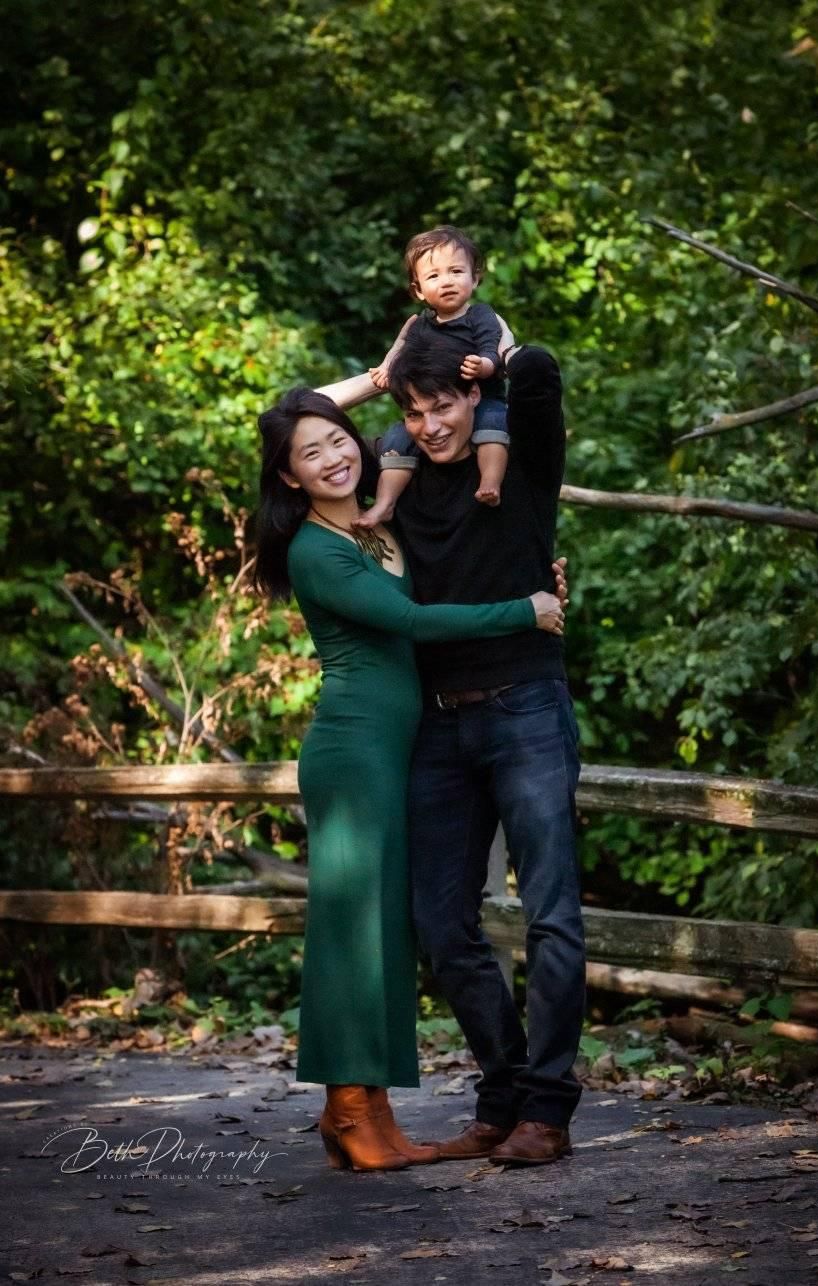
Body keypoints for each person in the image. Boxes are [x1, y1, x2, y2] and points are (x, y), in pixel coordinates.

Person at [252, 385, 567, 1173]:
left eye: (337, 441)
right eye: (309, 453)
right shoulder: (317, 551)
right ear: (288, 477)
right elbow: (419, 623)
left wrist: (390, 374)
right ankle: (348, 1110)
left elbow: (459, 566)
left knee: (388, 930)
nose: (332, 457)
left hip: (407, 746)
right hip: (355, 750)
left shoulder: (376, 525)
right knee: (350, 935)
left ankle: (369, 1112)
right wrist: (524, 609)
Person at [330, 324, 584, 1167]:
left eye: (445, 404)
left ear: (475, 395)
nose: (433, 424)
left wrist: (493, 345)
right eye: (416, 410)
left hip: (528, 709)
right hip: (436, 721)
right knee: (440, 923)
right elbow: (293, 425)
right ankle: (502, 1094)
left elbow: (542, 374)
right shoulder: (393, 475)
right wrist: (380, 380)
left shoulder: (518, 463)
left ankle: (547, 1110)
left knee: (550, 914)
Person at [357, 225, 510, 528]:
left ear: (475, 277)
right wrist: (387, 367)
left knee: (494, 423)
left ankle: (490, 481)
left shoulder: (480, 316)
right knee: (396, 439)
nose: (447, 282)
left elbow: (492, 349)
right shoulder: (420, 325)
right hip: (431, 401)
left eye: (456, 271)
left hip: (483, 397)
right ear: (418, 290)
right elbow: (400, 349)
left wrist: (484, 366)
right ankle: (385, 504)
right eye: (434, 276)